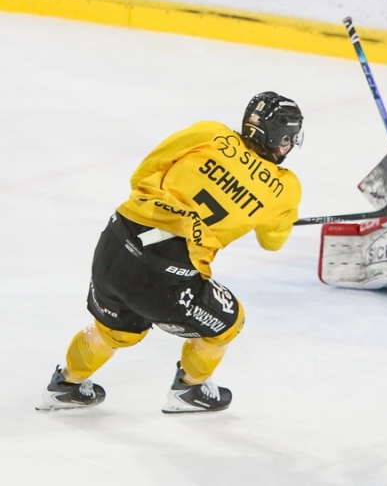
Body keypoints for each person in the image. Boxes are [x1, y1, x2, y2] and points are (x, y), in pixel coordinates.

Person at [36, 92, 304, 413]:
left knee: (114, 330)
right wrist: (279, 216)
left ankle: (66, 385)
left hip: (117, 240)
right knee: (229, 323)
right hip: (165, 278)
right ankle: (189, 391)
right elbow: (273, 241)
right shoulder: (284, 188)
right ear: (281, 138)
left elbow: (144, 172)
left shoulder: (210, 133)